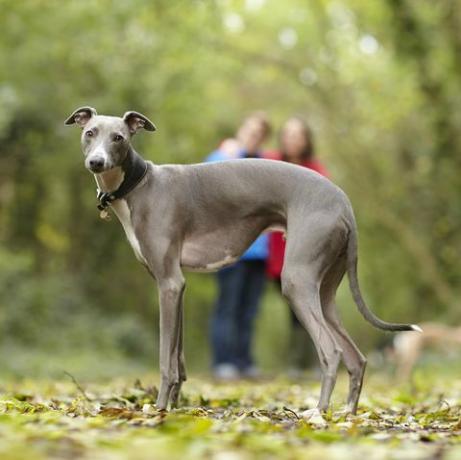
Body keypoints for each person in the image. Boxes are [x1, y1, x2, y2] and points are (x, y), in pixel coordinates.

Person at [206, 113, 272, 380]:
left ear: (263, 138)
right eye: (249, 130)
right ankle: (223, 361)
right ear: (241, 129)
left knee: (249, 311)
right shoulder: (223, 156)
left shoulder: (266, 164)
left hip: (259, 251)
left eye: (258, 133)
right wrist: (228, 153)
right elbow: (207, 181)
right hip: (230, 248)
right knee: (227, 307)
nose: (252, 135)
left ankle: (244, 361)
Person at [265, 116, 328, 375]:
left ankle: (313, 362)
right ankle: (295, 362)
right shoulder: (269, 163)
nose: (292, 139)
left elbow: (324, 204)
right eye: (288, 134)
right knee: (292, 304)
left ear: (306, 140)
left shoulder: (316, 169)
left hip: (309, 250)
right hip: (279, 251)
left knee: (310, 303)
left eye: (298, 135)